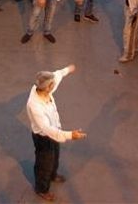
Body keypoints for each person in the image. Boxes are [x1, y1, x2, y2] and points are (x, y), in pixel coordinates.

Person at [26, 64, 87, 201]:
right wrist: (71, 135)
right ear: (47, 87)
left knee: (55, 157)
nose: (54, 85)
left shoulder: (42, 87)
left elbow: (56, 75)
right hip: (43, 138)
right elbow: (48, 130)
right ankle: (42, 189)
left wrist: (67, 70)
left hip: (55, 132)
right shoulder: (35, 106)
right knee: (44, 164)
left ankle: (52, 175)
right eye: (52, 85)